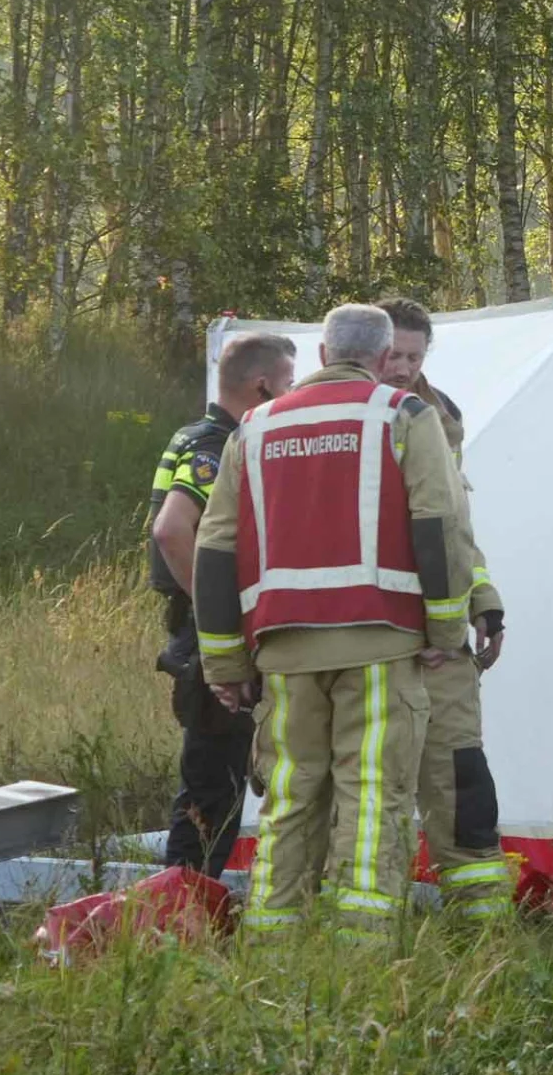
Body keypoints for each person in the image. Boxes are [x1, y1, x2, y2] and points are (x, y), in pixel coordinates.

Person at [193, 303, 485, 941]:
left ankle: (273, 935)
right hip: (381, 645)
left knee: (290, 796)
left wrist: (225, 664)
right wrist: (443, 633)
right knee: (373, 791)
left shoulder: (255, 427)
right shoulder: (404, 415)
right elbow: (439, 526)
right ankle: (360, 946)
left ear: (322, 355)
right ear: (383, 359)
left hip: (283, 653)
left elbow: (214, 550)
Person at [378, 297, 513, 921]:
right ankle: (369, 922)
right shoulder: (343, 419)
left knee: (463, 778)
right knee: (374, 788)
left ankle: (482, 922)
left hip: (446, 643)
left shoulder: (437, 417)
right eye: (392, 354)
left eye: (414, 355)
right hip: (377, 639)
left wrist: (482, 601)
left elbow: (454, 529)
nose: (402, 367)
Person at [145, 332, 296, 880]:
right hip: (206, 635)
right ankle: (184, 902)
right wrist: (218, 618)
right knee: (214, 785)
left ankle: (190, 898)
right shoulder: (219, 443)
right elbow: (172, 531)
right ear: (262, 385)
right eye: (287, 383)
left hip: (200, 632)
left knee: (220, 776)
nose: (292, 392)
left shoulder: (200, 433)